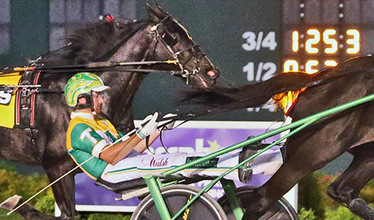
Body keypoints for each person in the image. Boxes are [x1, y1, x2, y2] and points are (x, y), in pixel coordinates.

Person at [64, 72, 281, 185]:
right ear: (82, 98)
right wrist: (140, 132)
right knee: (179, 161)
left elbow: (132, 150)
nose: (102, 99)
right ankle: (238, 167)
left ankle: (259, 161)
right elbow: (112, 157)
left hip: (123, 164)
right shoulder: (78, 128)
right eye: (97, 95)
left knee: (185, 158)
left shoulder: (101, 121)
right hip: (110, 172)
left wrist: (159, 129)